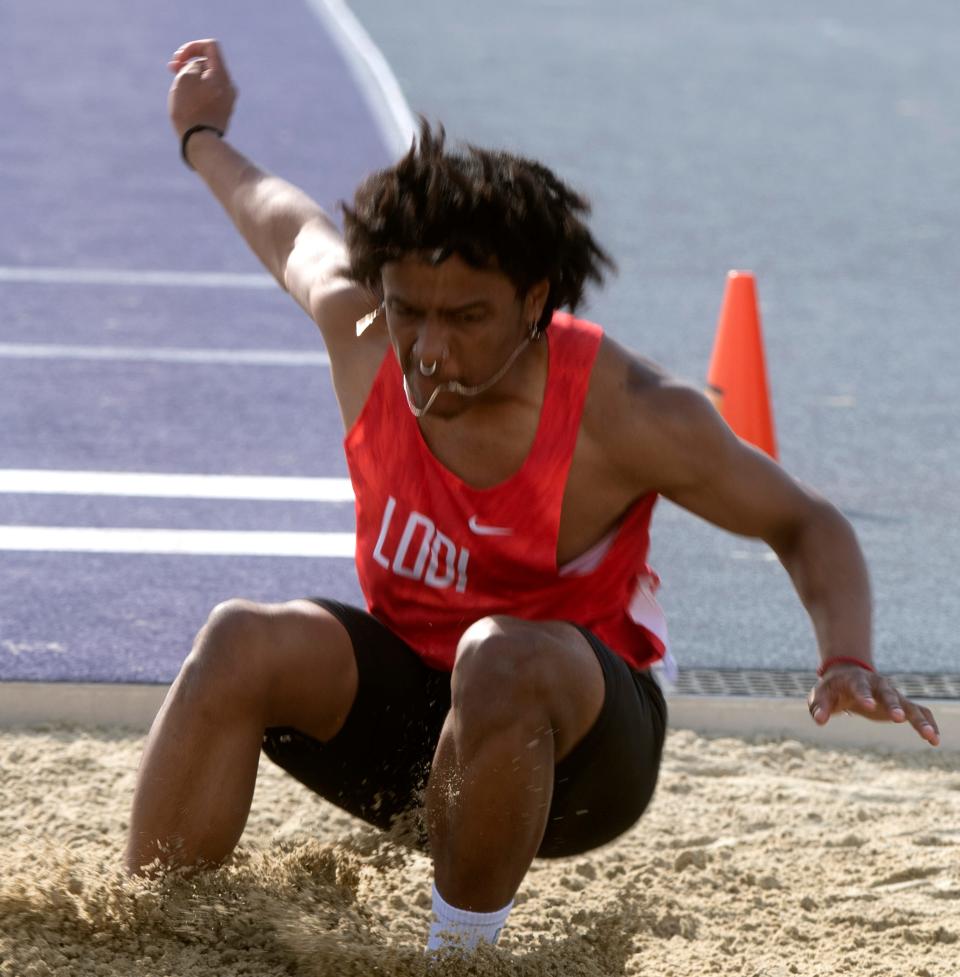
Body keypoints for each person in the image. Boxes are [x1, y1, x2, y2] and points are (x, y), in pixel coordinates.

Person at [124, 38, 941, 954]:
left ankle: (460, 956)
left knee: (498, 655)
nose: (430, 350)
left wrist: (846, 654)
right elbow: (282, 218)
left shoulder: (626, 411)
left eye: (466, 318)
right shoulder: (361, 328)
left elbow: (804, 520)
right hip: (413, 733)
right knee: (241, 636)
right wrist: (201, 132)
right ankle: (152, 929)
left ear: (534, 300)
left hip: (579, 751)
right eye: (410, 312)